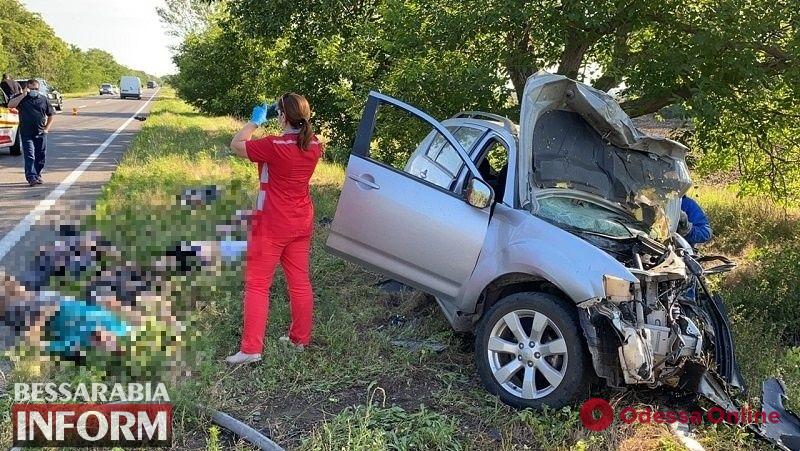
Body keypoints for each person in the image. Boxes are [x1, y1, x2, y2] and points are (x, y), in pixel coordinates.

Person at [225, 93, 323, 365]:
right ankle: (299, 339)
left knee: (257, 284)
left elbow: (236, 144)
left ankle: (251, 349)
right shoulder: (314, 145)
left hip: (271, 222)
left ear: (281, 116)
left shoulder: (273, 145)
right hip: (301, 220)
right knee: (300, 282)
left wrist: (255, 121)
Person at [9, 79, 55, 186]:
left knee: (40, 155)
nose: (34, 91)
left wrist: (47, 128)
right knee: (30, 155)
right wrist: (23, 94)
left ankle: (37, 175)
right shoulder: (22, 99)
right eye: (32, 89)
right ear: (27, 88)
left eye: (36, 89)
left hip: (40, 132)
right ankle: (31, 177)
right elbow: (11, 105)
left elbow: (51, 115)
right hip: (26, 133)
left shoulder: (43, 99)